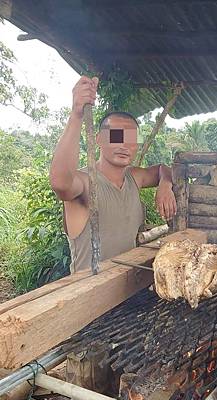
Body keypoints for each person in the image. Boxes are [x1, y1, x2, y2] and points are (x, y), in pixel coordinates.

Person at [50, 76, 177, 273]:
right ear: (99, 139)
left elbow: (162, 169)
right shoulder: (86, 183)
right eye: (116, 136)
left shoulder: (134, 177)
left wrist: (165, 184)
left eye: (131, 139)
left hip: (130, 295)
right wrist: (76, 114)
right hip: (89, 297)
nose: (124, 145)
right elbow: (60, 183)